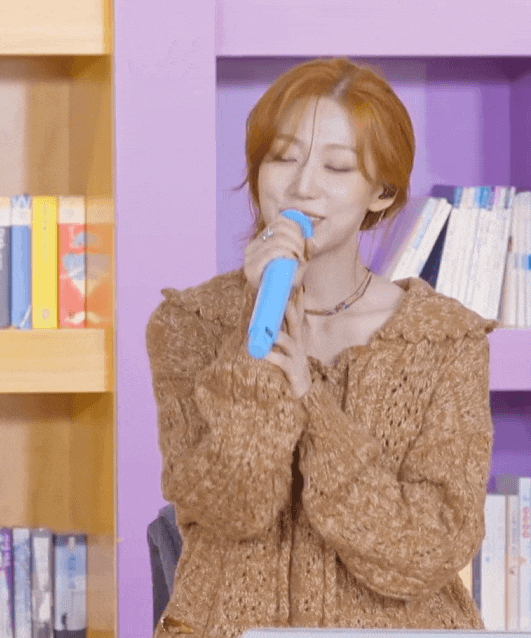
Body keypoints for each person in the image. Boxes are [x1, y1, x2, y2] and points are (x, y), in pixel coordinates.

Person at [146, 57, 498, 637]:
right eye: (282, 157)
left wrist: (312, 403)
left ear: (381, 192)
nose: (302, 186)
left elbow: (428, 550)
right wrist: (253, 344)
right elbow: (233, 507)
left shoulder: (445, 341)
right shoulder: (190, 324)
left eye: (337, 167)